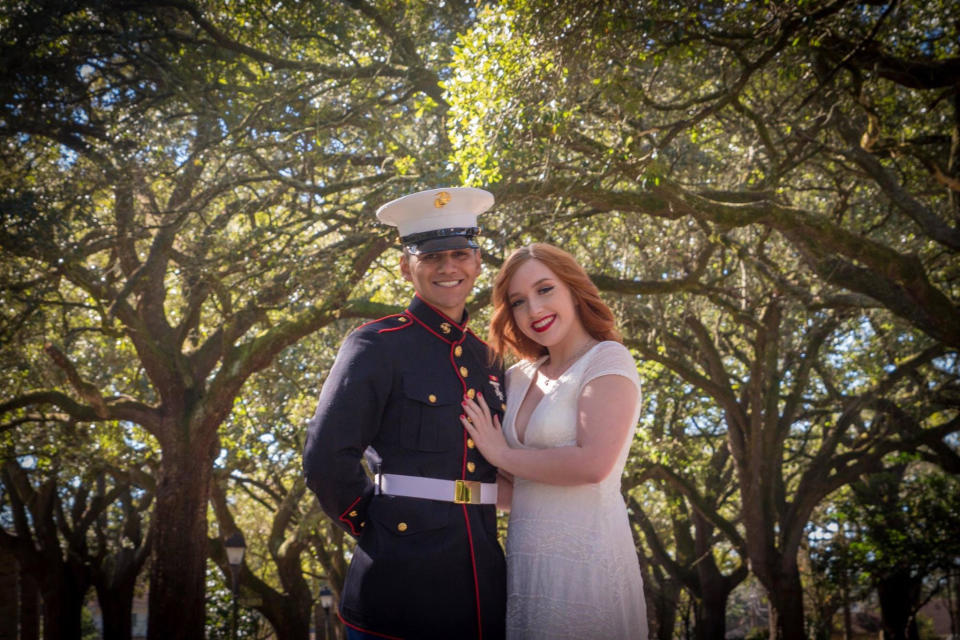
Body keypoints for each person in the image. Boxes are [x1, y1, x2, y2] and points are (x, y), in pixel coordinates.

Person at [303, 187, 507, 640]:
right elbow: (325, 458)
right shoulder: (377, 344)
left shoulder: (488, 360)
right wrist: (376, 527)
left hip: (483, 587)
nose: (448, 268)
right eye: (432, 257)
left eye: (460, 253)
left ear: (477, 263)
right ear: (405, 266)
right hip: (398, 585)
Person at [461, 243, 648, 640]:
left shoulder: (607, 359)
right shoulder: (515, 378)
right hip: (527, 567)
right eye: (518, 301)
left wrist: (501, 452)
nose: (534, 310)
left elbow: (592, 464)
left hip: (589, 563)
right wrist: (441, 494)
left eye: (545, 290)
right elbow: (517, 490)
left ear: (573, 289)